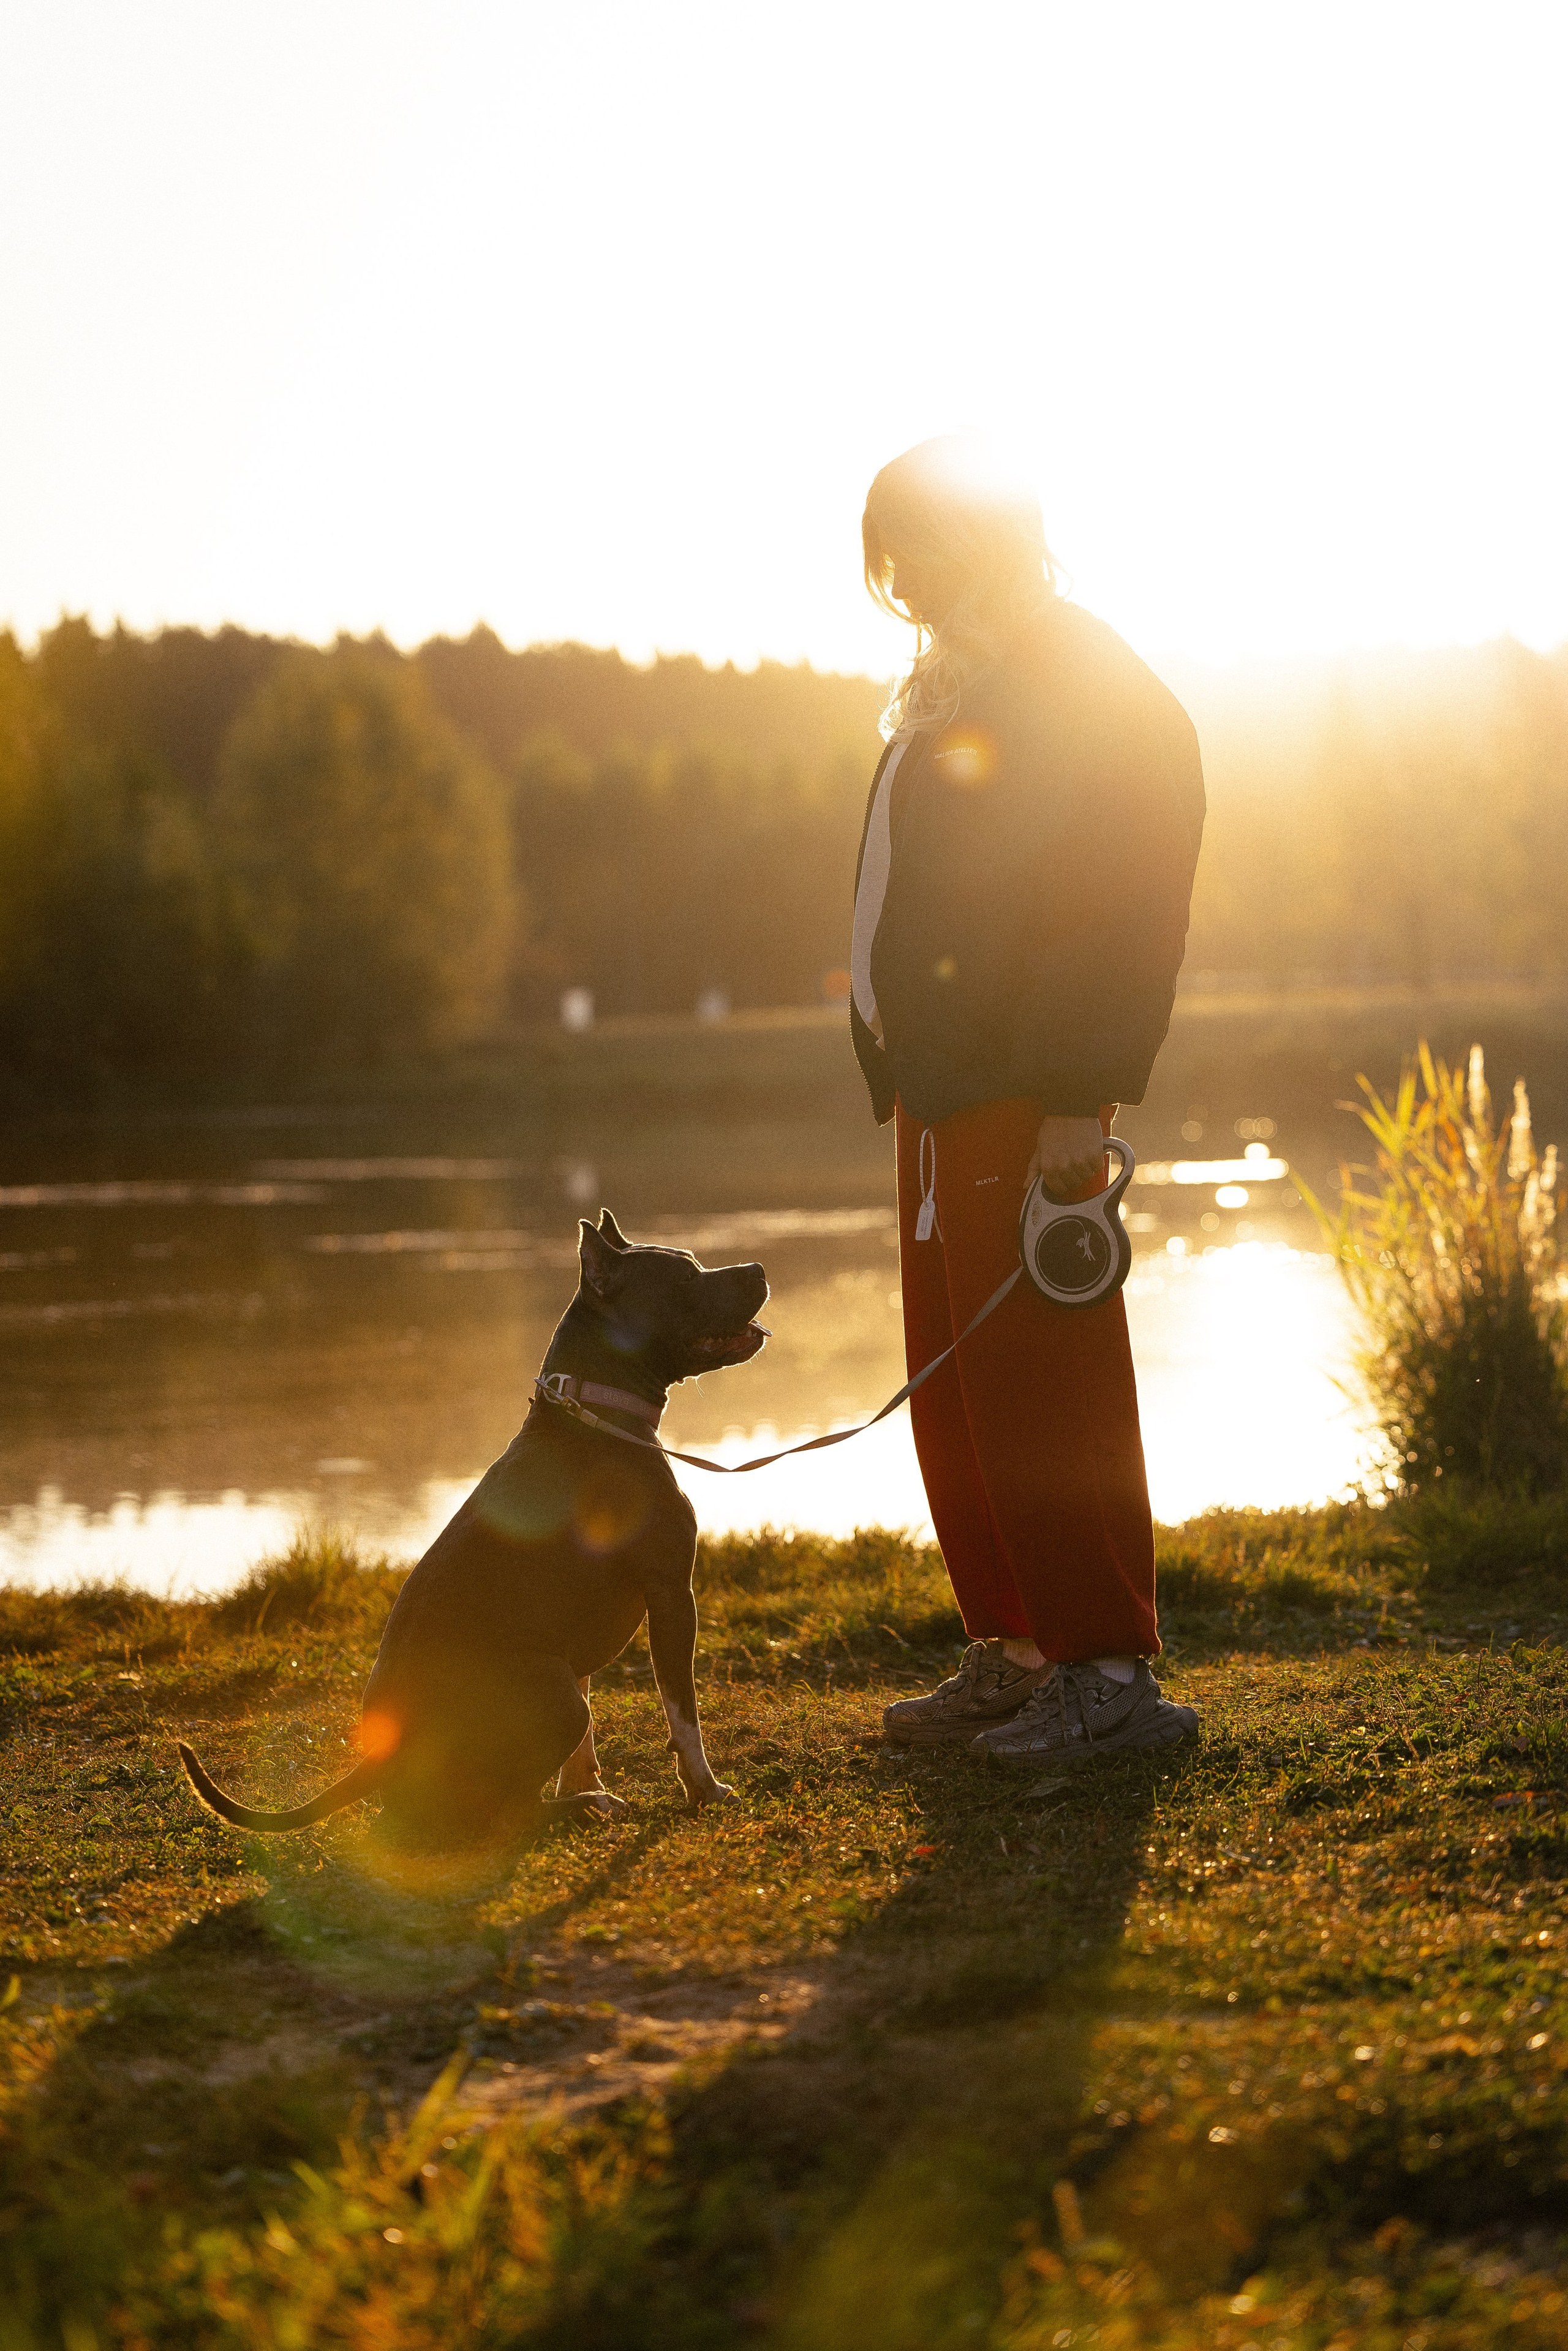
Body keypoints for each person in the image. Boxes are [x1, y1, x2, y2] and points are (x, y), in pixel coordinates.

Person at [850, 436, 1205, 1763]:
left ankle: (1105, 1674)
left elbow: (1120, 904)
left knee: (1046, 1387)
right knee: (961, 1387)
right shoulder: (963, 680)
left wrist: (1072, 1093)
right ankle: (1015, 1649)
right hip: (945, 1088)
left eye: (918, 554)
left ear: (989, 541)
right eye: (889, 564)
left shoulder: (1080, 680)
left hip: (1022, 1086)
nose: (903, 585)